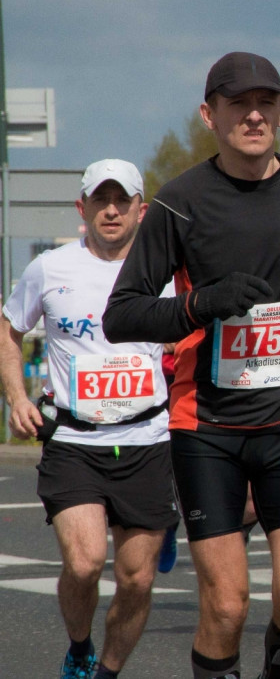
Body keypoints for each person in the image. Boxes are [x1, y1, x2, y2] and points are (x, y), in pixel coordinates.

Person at [102, 52, 280, 679]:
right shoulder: (181, 202)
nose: (254, 114)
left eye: (266, 101)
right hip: (206, 426)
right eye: (237, 103)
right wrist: (199, 305)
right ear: (210, 115)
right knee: (228, 605)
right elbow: (121, 315)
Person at [0, 159, 178, 679]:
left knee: (137, 580)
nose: (111, 209)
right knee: (83, 563)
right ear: (83, 208)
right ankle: (80, 647)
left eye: (122, 200)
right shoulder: (50, 269)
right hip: (74, 440)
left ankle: (109, 671)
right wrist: (16, 397)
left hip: (148, 437)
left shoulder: (166, 274)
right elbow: (11, 328)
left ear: (141, 210)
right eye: (100, 199)